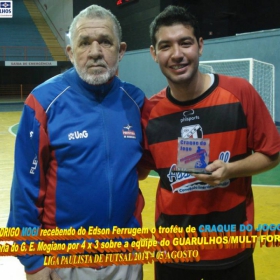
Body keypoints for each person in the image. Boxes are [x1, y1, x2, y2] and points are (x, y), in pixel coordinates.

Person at [139, 5, 280, 280]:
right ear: (154, 54)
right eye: (165, 46)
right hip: (174, 253)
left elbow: (272, 154)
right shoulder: (149, 113)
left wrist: (230, 170)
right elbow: (140, 169)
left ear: (200, 46)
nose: (177, 54)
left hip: (231, 250)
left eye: (185, 43)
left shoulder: (240, 92)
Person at [7, 4, 145, 280]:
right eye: (84, 43)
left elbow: (139, 167)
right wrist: (33, 261)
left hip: (126, 256)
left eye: (105, 42)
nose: (95, 52)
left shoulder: (136, 101)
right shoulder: (43, 102)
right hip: (65, 262)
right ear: (71, 53)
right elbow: (25, 189)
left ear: (121, 50)